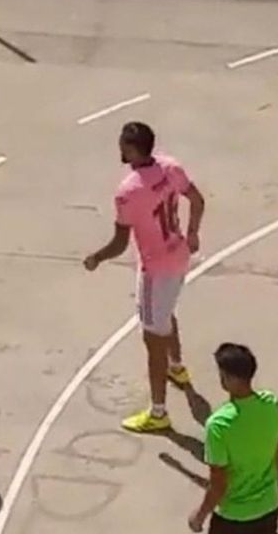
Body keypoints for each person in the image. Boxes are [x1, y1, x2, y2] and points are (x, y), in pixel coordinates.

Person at [84, 121, 205, 432]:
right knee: (166, 314)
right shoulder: (170, 167)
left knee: (153, 338)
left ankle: (159, 411)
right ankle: (177, 367)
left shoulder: (129, 192)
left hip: (155, 269)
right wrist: (192, 233)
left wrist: (97, 257)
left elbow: (120, 243)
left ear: (133, 149)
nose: (120, 150)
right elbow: (197, 199)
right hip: (179, 255)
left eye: (124, 145)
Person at [188, 343, 278, 534]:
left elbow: (218, 482)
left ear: (228, 378)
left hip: (234, 516)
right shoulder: (271, 404)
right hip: (269, 506)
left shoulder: (219, 425)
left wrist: (199, 515)